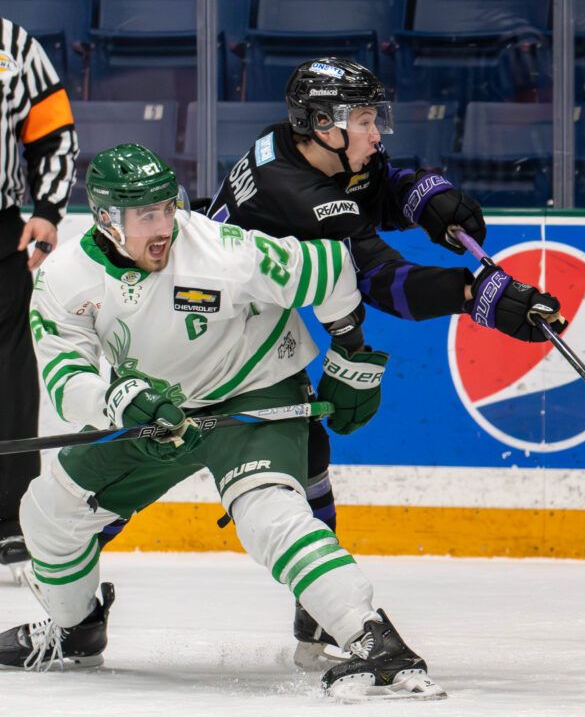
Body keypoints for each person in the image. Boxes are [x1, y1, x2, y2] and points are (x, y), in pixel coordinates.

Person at [0, 144, 443, 699]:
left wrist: (348, 352)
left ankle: (375, 639)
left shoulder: (223, 251)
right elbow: (64, 376)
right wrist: (118, 399)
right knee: (48, 509)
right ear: (107, 219)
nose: (164, 227)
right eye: (145, 216)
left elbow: (330, 268)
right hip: (156, 411)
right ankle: (76, 630)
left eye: (166, 209)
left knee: (267, 512)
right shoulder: (64, 279)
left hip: (253, 393)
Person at [187, 56, 564, 665]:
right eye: (363, 120)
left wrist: (429, 197)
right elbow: (384, 282)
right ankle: (68, 603)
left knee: (308, 452)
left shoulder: (302, 147)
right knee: (141, 465)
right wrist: (481, 297)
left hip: (247, 324)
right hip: (201, 340)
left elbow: (375, 183)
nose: (376, 132)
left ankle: (317, 609)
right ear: (321, 124)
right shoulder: (296, 192)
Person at [0, 12, 78, 572]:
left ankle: (7, 517)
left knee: (4, 372)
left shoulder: (11, 45)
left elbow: (55, 133)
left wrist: (46, 210)